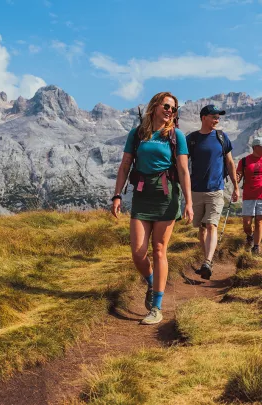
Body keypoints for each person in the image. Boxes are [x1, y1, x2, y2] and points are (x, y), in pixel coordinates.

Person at [111, 92, 193, 325]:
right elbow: (125, 164)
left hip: (166, 196)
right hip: (141, 194)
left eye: (174, 109)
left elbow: (184, 170)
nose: (170, 111)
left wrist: (189, 202)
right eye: (167, 106)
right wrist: (117, 195)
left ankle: (156, 307)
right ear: (155, 106)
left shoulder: (176, 136)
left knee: (159, 250)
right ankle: (152, 281)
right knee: (138, 253)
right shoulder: (137, 134)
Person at [186, 105, 239, 280]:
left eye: (218, 117)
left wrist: (236, 186)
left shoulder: (222, 137)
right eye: (214, 116)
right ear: (203, 118)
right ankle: (206, 259)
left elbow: (230, 163)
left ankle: (208, 261)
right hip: (195, 191)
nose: (217, 119)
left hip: (216, 190)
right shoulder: (191, 139)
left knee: (211, 225)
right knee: (201, 229)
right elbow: (182, 164)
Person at [236, 136, 262, 255]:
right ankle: (249, 236)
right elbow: (238, 175)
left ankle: (256, 246)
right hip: (248, 195)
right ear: (255, 147)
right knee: (247, 224)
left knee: (259, 222)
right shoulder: (244, 161)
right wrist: (237, 177)